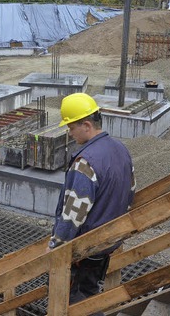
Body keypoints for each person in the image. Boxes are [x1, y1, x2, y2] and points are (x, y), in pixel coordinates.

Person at [48, 93, 136, 313]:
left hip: (86, 249)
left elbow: (72, 215)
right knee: (91, 291)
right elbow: (131, 193)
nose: (69, 133)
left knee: (77, 301)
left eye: (71, 127)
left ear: (86, 125)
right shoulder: (121, 150)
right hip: (108, 243)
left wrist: (56, 247)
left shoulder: (85, 163)